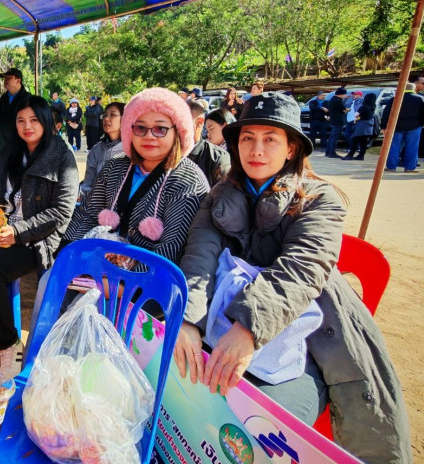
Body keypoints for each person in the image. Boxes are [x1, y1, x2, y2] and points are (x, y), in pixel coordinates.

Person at [174, 92, 412, 464]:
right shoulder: (218, 195)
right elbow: (199, 259)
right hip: (218, 324)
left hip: (308, 340)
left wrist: (249, 328)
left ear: (291, 149)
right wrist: (188, 319)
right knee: (180, 400)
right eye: (248, 138)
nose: (256, 149)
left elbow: (300, 270)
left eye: (270, 139)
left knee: (252, 434)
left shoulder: (320, 199)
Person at [0, 95, 78, 379]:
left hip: (38, 239)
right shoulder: (9, 151)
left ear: (46, 122)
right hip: (2, 229)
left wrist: (18, 232)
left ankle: (8, 344)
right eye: (21, 120)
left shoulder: (62, 156)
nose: (27, 126)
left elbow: (62, 211)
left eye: (34, 120)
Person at [64, 88, 208, 264]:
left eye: (160, 129)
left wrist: (125, 276)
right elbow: (88, 214)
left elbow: (171, 247)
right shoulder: (114, 166)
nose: (149, 136)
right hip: (93, 263)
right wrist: (71, 254)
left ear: (178, 131)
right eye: (140, 128)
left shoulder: (189, 181)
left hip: (148, 275)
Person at [79, 102, 125, 198]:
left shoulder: (130, 149)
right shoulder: (96, 150)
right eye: (104, 115)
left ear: (125, 118)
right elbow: (87, 185)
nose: (106, 119)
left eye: (113, 115)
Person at [382, 82, 424, 172]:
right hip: (414, 126)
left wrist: (383, 126)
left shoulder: (395, 98)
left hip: (396, 126)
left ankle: (391, 167)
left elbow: (386, 112)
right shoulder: (419, 99)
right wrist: (421, 124)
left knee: (393, 146)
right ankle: (410, 168)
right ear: (414, 89)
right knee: (412, 147)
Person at [187, 101, 230, 187]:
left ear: (199, 122)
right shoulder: (166, 151)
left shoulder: (217, 157)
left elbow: (222, 192)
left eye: (182, 122)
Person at [0, 67, 30, 153]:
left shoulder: (28, 99)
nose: (5, 80)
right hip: (4, 146)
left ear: (18, 81)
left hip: (21, 147)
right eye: (5, 78)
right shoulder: (3, 99)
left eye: (9, 78)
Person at [342, 93, 378, 161]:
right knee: (363, 142)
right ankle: (361, 156)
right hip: (368, 126)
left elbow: (356, 115)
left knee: (354, 139)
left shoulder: (364, 107)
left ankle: (350, 155)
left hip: (361, 125)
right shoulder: (373, 106)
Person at [324, 87, 348, 158]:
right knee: (335, 137)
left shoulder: (332, 99)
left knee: (332, 136)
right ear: (341, 94)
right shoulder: (338, 101)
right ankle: (332, 153)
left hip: (333, 120)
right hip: (338, 121)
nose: (344, 95)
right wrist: (348, 109)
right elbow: (344, 110)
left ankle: (328, 152)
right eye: (344, 94)